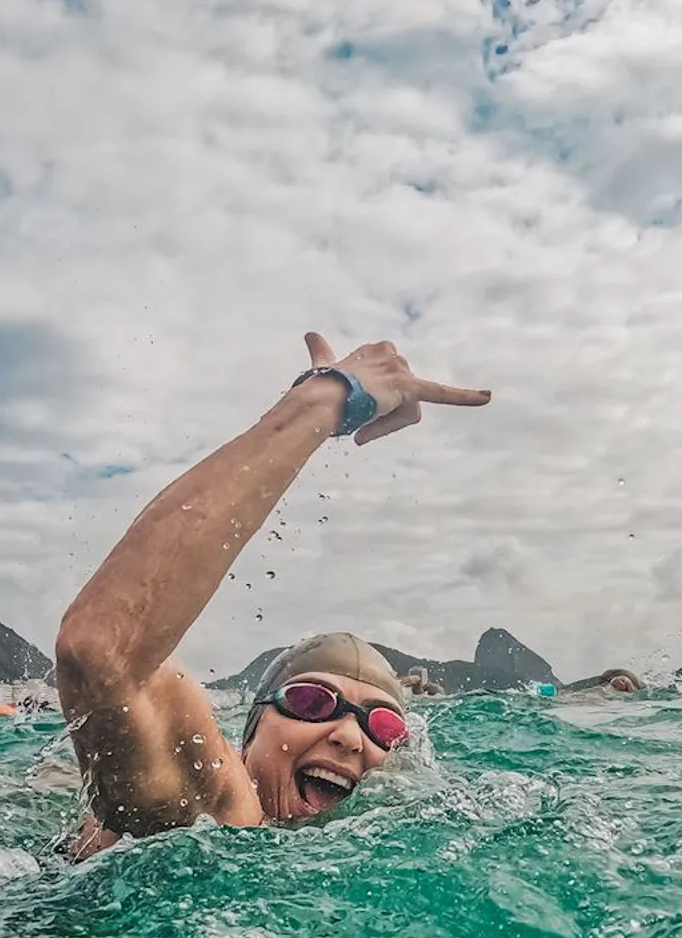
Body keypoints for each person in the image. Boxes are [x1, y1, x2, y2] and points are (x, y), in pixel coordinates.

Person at [57, 333, 491, 860]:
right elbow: (102, 650)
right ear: (249, 734)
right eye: (313, 701)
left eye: (384, 726)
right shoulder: (224, 814)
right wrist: (323, 402)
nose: (350, 737)